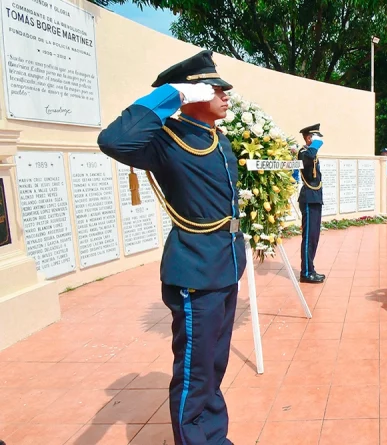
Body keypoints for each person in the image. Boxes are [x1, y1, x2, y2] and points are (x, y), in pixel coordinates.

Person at [98, 50, 244, 445]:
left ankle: (213, 437)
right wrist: (171, 97)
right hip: (195, 269)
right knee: (195, 374)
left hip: (225, 264)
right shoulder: (165, 140)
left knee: (214, 367)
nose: (226, 94)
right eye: (216, 89)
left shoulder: (218, 139)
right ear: (191, 94)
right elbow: (112, 140)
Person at [297, 124, 326, 283]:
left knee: (314, 237)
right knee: (308, 237)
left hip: (315, 197)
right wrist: (315, 144)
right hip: (308, 198)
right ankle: (306, 272)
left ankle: (310, 268)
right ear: (309, 138)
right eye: (315, 137)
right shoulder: (303, 152)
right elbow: (308, 157)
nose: (319, 140)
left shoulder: (310, 153)